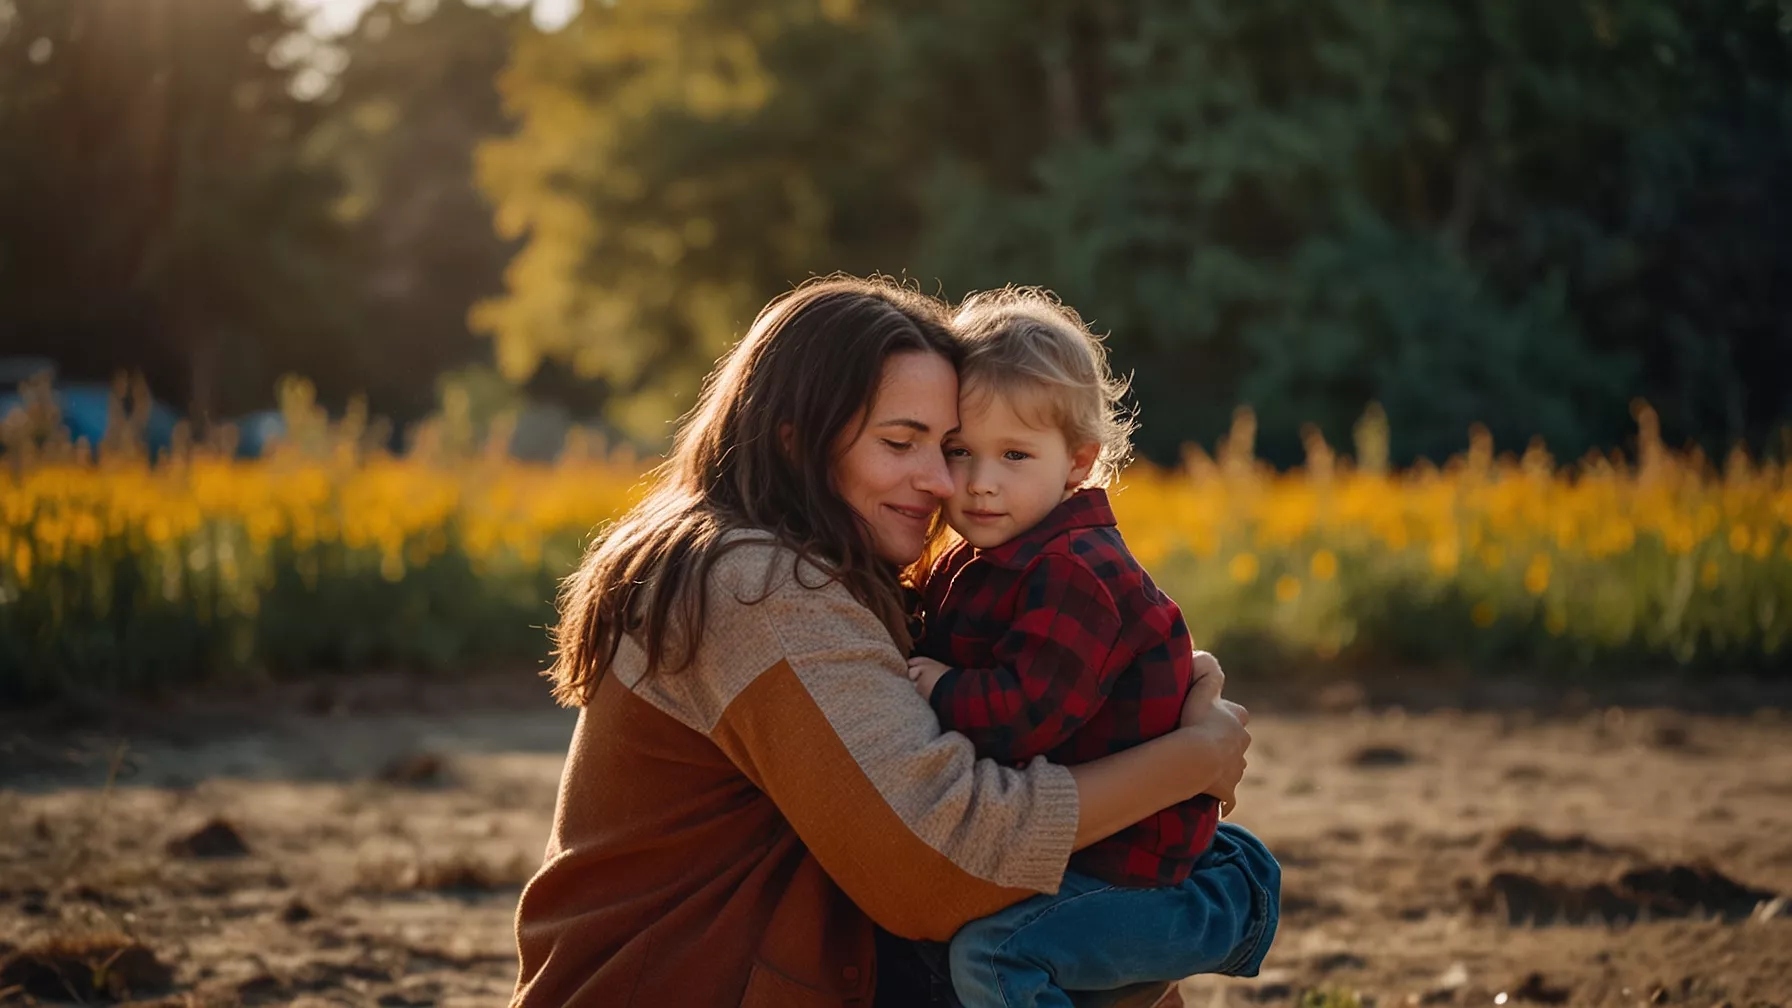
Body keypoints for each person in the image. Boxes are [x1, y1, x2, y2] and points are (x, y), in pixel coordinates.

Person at [508, 275, 1253, 1008]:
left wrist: (1150, 697)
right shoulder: (755, 586)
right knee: (1054, 937)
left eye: (947, 447)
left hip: (751, 967)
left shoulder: (821, 567)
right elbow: (942, 863)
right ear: (796, 443)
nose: (942, 482)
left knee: (1082, 932)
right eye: (903, 443)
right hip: (689, 982)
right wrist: (1188, 761)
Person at [905, 288, 1280, 1008]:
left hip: (1133, 873)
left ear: (1078, 461)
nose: (980, 483)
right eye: (960, 452)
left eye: (1014, 454)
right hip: (1082, 855)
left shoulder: (1074, 571)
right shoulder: (979, 557)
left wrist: (939, 687)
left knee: (992, 957)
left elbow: (1026, 715)